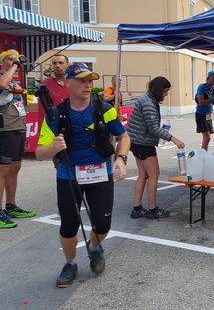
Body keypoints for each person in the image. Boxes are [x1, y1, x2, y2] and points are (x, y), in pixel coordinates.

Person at [35, 64, 130, 287]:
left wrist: (120, 158)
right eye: (81, 81)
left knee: (103, 224)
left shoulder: (104, 109)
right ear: (68, 83)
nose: (87, 85)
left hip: (100, 172)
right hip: (68, 175)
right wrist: (55, 148)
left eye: (90, 81)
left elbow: (124, 137)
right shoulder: (57, 114)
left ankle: (95, 247)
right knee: (68, 225)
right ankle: (70, 263)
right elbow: (40, 152)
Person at [128, 77, 185, 219]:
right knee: (154, 175)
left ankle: (137, 208)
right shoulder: (148, 103)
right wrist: (174, 139)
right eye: (165, 91)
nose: (166, 94)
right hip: (143, 143)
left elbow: (150, 125)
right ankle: (153, 209)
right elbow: (153, 128)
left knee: (143, 175)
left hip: (136, 141)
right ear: (158, 90)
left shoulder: (146, 99)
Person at [0, 49, 35, 229]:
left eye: (16, 59)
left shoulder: (13, 81)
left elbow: (20, 107)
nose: (15, 62)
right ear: (1, 63)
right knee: (3, 170)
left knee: (15, 168)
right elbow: (3, 84)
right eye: (10, 59)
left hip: (17, 128)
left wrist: (25, 132)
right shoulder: (4, 78)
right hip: (4, 129)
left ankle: (11, 205)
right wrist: (15, 65)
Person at [39, 54, 71, 130]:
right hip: (53, 126)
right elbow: (41, 109)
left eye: (61, 63)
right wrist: (41, 129)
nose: (57, 65)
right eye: (54, 63)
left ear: (67, 65)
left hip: (73, 126)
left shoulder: (75, 83)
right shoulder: (45, 84)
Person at [195, 71, 214, 151]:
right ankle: (203, 156)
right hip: (201, 114)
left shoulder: (213, 89)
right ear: (208, 78)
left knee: (207, 138)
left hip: (208, 114)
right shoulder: (202, 87)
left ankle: (204, 154)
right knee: (207, 137)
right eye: (213, 79)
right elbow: (200, 102)